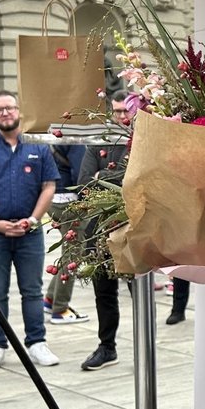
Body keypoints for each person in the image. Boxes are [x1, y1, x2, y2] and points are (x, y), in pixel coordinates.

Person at [0, 89, 61, 371]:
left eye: (10, 108)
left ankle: (37, 342)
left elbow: (49, 186)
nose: (6, 113)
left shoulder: (39, 148)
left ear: (19, 111)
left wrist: (33, 219)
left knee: (32, 290)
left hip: (29, 233)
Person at [79, 91, 133, 371]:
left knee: (139, 291)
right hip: (100, 229)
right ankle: (107, 347)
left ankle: (144, 343)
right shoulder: (99, 142)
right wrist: (118, 180)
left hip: (134, 227)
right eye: (117, 111)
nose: (122, 116)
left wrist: (104, 176)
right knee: (104, 292)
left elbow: (140, 182)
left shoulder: (142, 140)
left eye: (126, 111)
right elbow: (84, 184)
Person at [43, 138, 90, 323]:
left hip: (53, 199)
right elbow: (81, 174)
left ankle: (50, 299)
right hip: (70, 202)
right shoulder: (74, 138)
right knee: (73, 256)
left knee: (68, 253)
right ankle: (60, 309)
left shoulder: (52, 136)